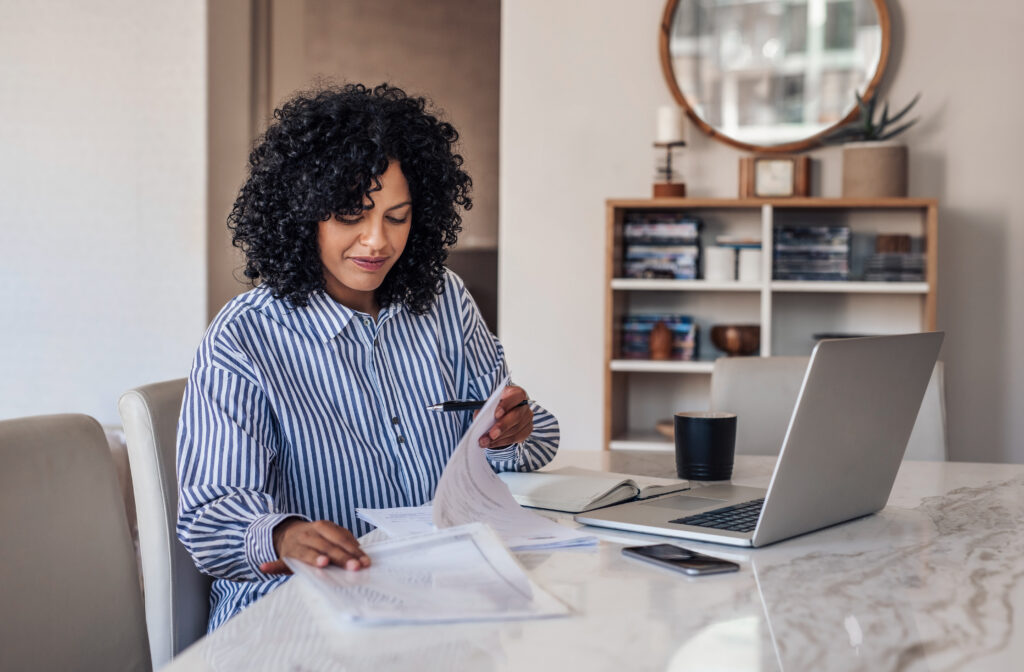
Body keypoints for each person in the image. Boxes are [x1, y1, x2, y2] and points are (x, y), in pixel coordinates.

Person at [176, 83, 560, 630]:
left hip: (443, 598)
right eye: (351, 215)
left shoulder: (446, 301)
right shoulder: (245, 336)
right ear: (302, 213)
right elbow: (211, 516)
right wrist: (283, 535)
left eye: (397, 218)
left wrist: (514, 430)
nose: (376, 241)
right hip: (297, 616)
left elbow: (509, 453)